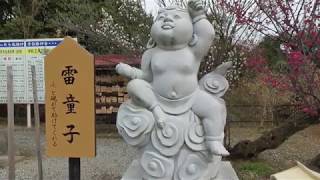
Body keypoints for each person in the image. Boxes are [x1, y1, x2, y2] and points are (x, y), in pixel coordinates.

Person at [116, 0, 229, 156]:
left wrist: (198, 16)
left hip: (191, 97)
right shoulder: (150, 54)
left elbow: (208, 34)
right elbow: (146, 77)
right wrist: (130, 71)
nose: (167, 19)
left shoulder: (193, 51)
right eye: (161, 18)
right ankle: (156, 110)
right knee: (134, 85)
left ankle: (213, 140)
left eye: (176, 17)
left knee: (214, 108)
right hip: (158, 98)